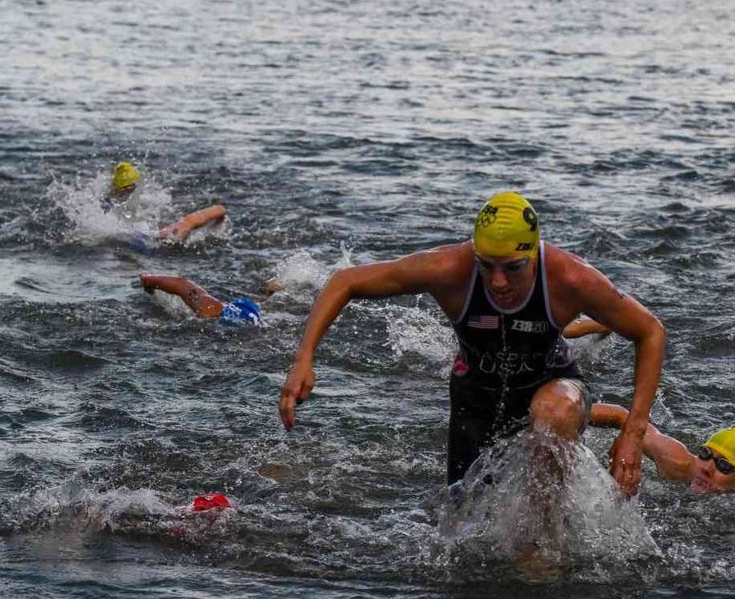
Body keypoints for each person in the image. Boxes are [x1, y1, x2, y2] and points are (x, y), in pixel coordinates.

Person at [278, 192, 665, 497]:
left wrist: (632, 434)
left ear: (533, 255)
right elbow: (345, 280)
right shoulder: (449, 269)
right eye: (486, 265)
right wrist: (304, 357)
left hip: (552, 381)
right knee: (466, 514)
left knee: (555, 412)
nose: (497, 281)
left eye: (512, 268)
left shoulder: (570, 279)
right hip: (475, 397)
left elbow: (650, 331)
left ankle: (542, 553)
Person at [589, 403, 735, 494]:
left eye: (724, 466)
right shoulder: (676, 462)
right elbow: (622, 416)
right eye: (705, 454)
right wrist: (569, 415)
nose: (707, 468)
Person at [107, 161, 228, 245]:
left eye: (130, 190)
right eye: (124, 192)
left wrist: (189, 222)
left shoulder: (167, 231)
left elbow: (220, 209)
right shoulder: (110, 226)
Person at [139, 273, 266, 326]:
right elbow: (181, 284)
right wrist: (150, 280)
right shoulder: (210, 308)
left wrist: (148, 279)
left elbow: (182, 283)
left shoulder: (210, 310)